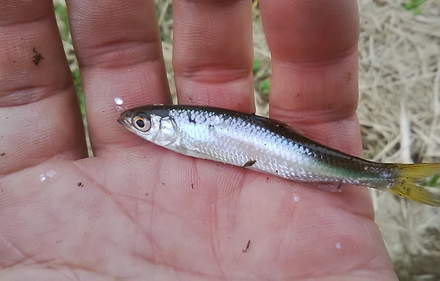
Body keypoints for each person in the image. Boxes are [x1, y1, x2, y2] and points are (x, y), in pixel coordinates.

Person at [0, 0, 398, 279]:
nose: (138, 127)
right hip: (268, 146)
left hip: (282, 151)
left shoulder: (182, 132)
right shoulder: (180, 132)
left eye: (143, 125)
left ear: (168, 127)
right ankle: (380, 175)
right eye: (142, 124)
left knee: (302, 155)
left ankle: (384, 176)